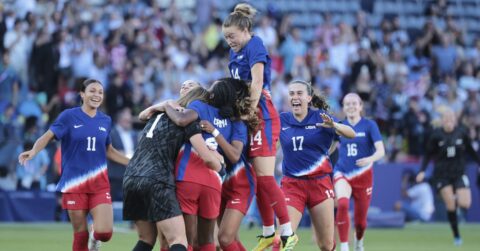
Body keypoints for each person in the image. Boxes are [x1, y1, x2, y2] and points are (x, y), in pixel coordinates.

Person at [18, 79, 130, 251]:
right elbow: (48, 136)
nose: (97, 95)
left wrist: (131, 162)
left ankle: (95, 237)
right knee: (80, 233)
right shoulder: (68, 116)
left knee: (104, 233)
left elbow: (108, 150)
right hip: (73, 184)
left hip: (99, 184)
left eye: (100, 92)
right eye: (92, 91)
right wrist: (34, 150)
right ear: (82, 94)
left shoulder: (105, 120)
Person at [222, 4, 297, 250]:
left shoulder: (256, 44)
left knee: (265, 178)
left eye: (232, 36)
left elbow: (256, 83)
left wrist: (246, 112)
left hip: (261, 114)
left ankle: (287, 232)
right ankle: (268, 232)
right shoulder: (235, 52)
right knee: (258, 178)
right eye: (226, 37)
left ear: (244, 29)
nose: (229, 41)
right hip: (247, 116)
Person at [123, 87, 225, 251]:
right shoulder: (188, 120)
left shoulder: (158, 114)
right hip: (156, 178)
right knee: (179, 241)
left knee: (146, 240)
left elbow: (142, 116)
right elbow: (206, 157)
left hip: (131, 177)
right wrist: (220, 166)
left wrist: (162, 104)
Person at [279, 80, 355, 251]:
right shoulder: (282, 119)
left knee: (326, 245)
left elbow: (351, 133)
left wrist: (334, 125)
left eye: (299, 93)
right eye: (291, 94)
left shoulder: (321, 117)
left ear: (308, 97)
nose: (295, 97)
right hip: (292, 185)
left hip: (319, 184)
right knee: (284, 238)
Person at [416, 107, 480, 246]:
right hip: (442, 175)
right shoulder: (436, 136)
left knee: (465, 203)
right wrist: (422, 171)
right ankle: (456, 236)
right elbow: (428, 155)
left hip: (459, 173)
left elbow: (470, 150)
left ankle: (456, 198)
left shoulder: (462, 133)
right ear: (442, 121)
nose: (449, 121)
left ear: (455, 120)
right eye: (446, 118)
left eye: (451, 118)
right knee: (450, 204)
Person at [333, 93, 385, 251]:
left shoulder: (370, 125)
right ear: (343, 107)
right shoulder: (340, 125)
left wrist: (370, 159)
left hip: (363, 176)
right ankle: (344, 246)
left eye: (354, 103)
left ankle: (359, 241)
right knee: (342, 204)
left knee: (361, 222)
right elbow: (330, 149)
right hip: (342, 173)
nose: (351, 106)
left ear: (361, 106)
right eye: (347, 103)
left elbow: (381, 151)